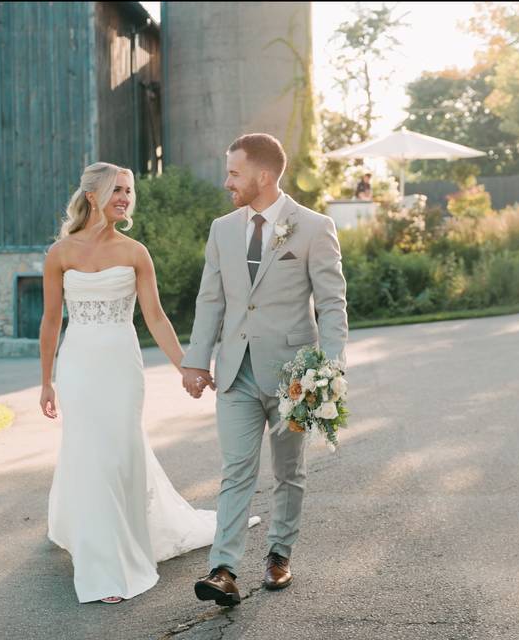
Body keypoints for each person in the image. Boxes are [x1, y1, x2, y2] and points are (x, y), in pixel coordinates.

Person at [38, 162, 259, 605]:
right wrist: (46, 382)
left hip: (121, 365)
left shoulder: (135, 252)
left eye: (129, 191)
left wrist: (188, 365)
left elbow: (155, 318)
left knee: (119, 453)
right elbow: (50, 320)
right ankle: (103, 562)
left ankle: (122, 540)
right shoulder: (60, 253)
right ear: (94, 194)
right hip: (78, 364)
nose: (125, 197)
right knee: (89, 453)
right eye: (118, 190)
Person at [181, 133, 348, 606]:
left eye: (234, 173)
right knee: (236, 470)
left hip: (295, 372)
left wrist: (330, 369)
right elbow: (210, 299)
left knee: (289, 470)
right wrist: (196, 360)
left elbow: (332, 305)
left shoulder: (314, 227)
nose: (226, 181)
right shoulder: (222, 229)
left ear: (264, 176)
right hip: (235, 371)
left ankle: (278, 553)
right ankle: (223, 569)